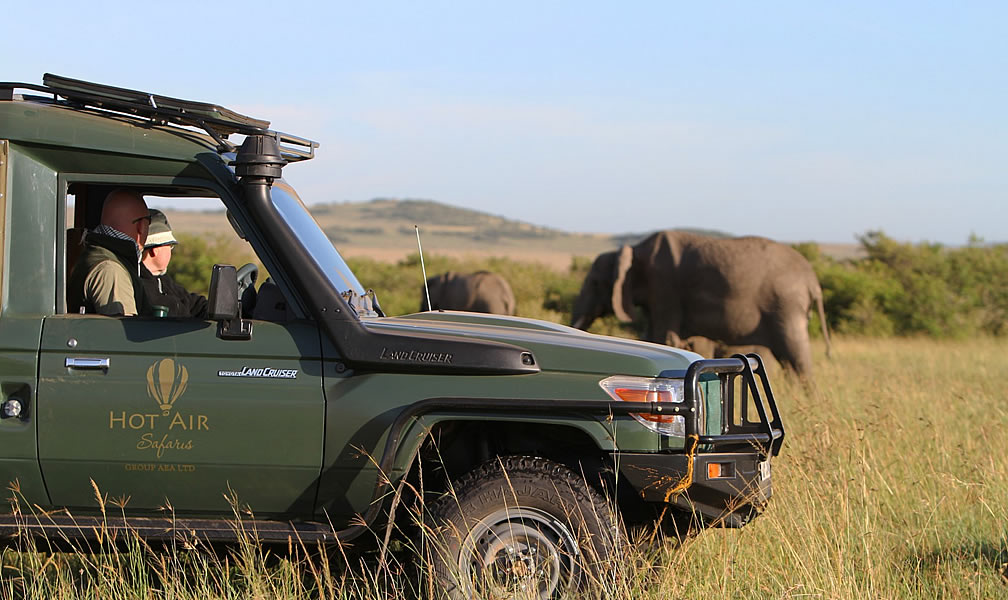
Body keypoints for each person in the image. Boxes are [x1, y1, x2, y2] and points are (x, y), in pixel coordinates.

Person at [67, 189, 152, 316]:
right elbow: (124, 326)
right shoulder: (111, 270)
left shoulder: (98, 254)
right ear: (142, 226)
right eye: (149, 221)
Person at [140, 210, 209, 319]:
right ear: (155, 250)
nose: (171, 250)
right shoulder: (142, 288)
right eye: (170, 246)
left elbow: (192, 303)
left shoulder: (163, 280)